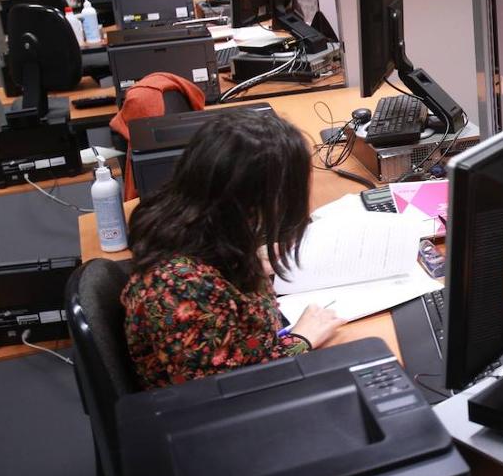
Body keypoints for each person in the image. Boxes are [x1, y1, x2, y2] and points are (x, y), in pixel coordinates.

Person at [121, 109, 344, 390]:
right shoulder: (181, 287)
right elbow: (225, 391)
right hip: (215, 417)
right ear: (249, 202)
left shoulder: (192, 224)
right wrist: (301, 339)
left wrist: (248, 261)